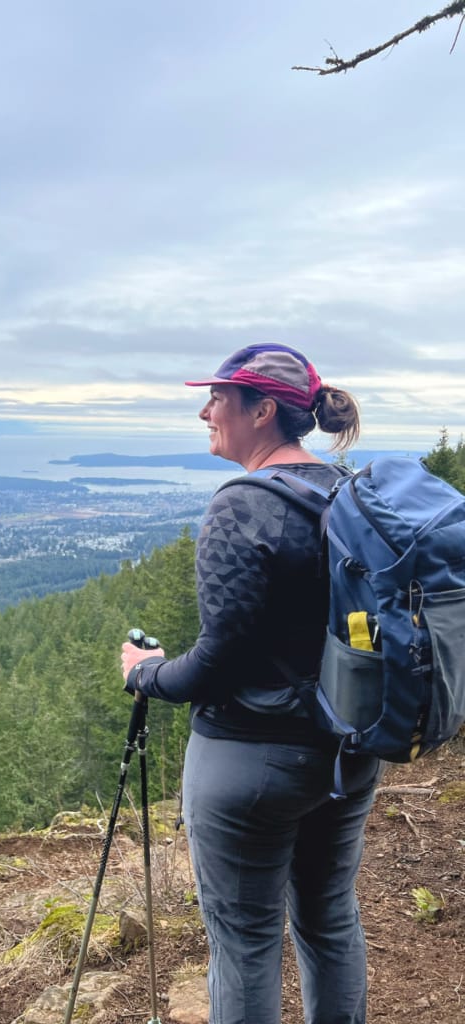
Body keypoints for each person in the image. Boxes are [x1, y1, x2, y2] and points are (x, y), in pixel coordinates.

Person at [120, 342, 382, 1024]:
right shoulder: (347, 495)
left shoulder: (242, 506)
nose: (205, 410)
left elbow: (218, 664)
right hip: (346, 751)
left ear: (263, 410)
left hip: (248, 762)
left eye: (219, 398)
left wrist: (145, 674)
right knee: (329, 920)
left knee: (245, 944)